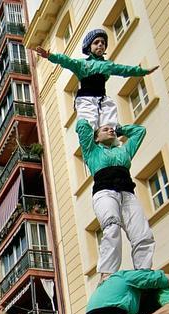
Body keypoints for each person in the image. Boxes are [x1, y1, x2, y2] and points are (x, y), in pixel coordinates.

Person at [66, 114, 155, 275]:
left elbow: (139, 131)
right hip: (105, 192)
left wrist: (119, 129)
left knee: (142, 232)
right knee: (112, 226)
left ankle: (144, 270)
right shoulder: (91, 151)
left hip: (127, 193)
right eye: (105, 130)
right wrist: (91, 117)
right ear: (97, 137)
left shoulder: (124, 151)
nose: (110, 131)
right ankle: (107, 272)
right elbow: (81, 127)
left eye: (111, 129)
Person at [32, 30, 156, 131]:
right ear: (89, 47)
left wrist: (143, 71)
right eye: (96, 42)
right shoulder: (82, 64)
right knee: (89, 122)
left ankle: (112, 140)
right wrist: (50, 56)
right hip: (86, 98)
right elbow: (66, 61)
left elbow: (125, 70)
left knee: (110, 118)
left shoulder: (108, 65)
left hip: (102, 97)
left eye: (103, 42)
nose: (100, 44)